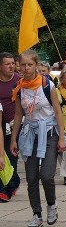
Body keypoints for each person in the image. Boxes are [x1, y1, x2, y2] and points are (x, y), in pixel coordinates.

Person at [11, 50, 66, 227]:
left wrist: (62, 139)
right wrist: (14, 140)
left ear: (36, 65)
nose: (26, 68)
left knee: (46, 175)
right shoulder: (19, 88)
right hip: (30, 133)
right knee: (32, 177)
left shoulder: (47, 85)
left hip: (49, 131)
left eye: (30, 65)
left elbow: (58, 111)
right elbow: (19, 114)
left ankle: (52, 204)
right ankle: (37, 214)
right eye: (23, 65)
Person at [0, 52, 21, 202]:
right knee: (3, 156)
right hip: (1, 125)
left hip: (17, 125)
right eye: (7, 64)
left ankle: (10, 186)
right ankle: (11, 182)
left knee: (11, 155)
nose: (11, 66)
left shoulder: (19, 81)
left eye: (13, 63)